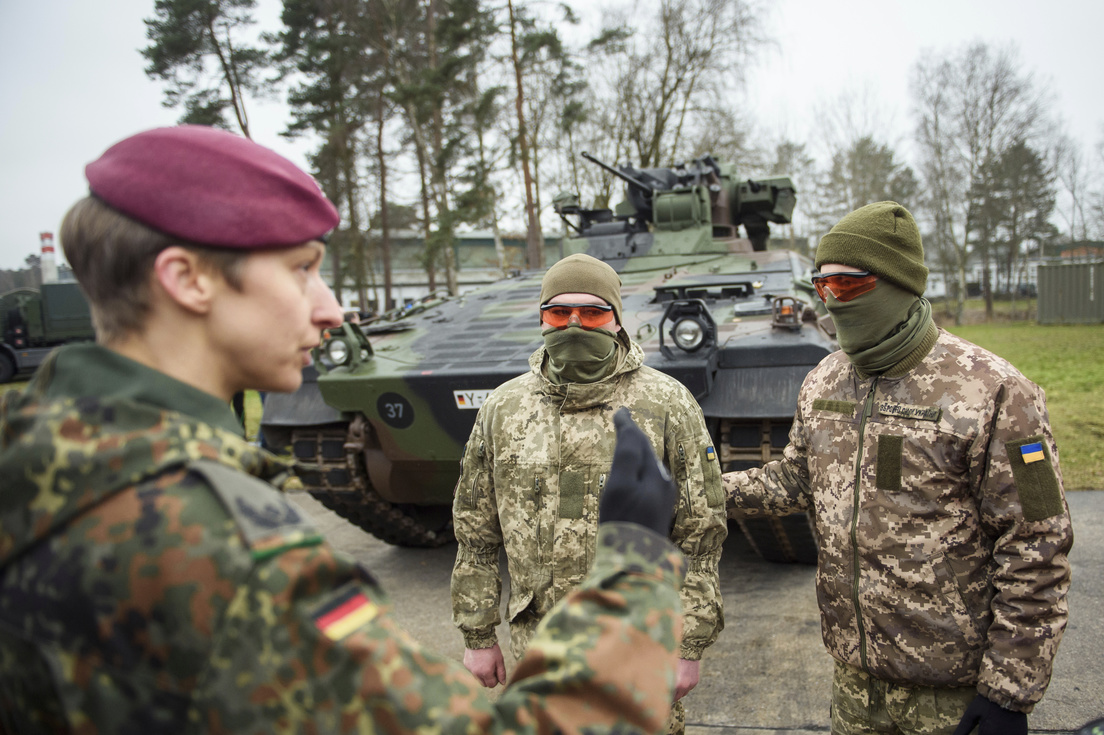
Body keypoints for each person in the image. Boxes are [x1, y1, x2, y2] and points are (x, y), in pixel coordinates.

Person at [0, 125, 690, 734]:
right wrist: (629, 565)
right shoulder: (225, 543)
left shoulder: (36, 450)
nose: (331, 309)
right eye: (301, 269)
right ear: (188, 279)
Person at [723, 201, 1073, 735]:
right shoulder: (825, 380)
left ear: (897, 282)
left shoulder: (996, 391)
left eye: (849, 285)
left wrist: (1009, 691)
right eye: (823, 287)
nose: (833, 301)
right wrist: (696, 491)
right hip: (854, 685)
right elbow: (795, 479)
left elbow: (1038, 544)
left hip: (953, 695)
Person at [451, 253, 728, 735]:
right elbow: (475, 531)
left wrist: (689, 646)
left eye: (593, 313)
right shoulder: (504, 407)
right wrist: (478, 633)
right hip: (534, 649)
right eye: (559, 313)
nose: (575, 325)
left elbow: (700, 535)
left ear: (617, 320)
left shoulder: (666, 403)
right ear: (542, 319)